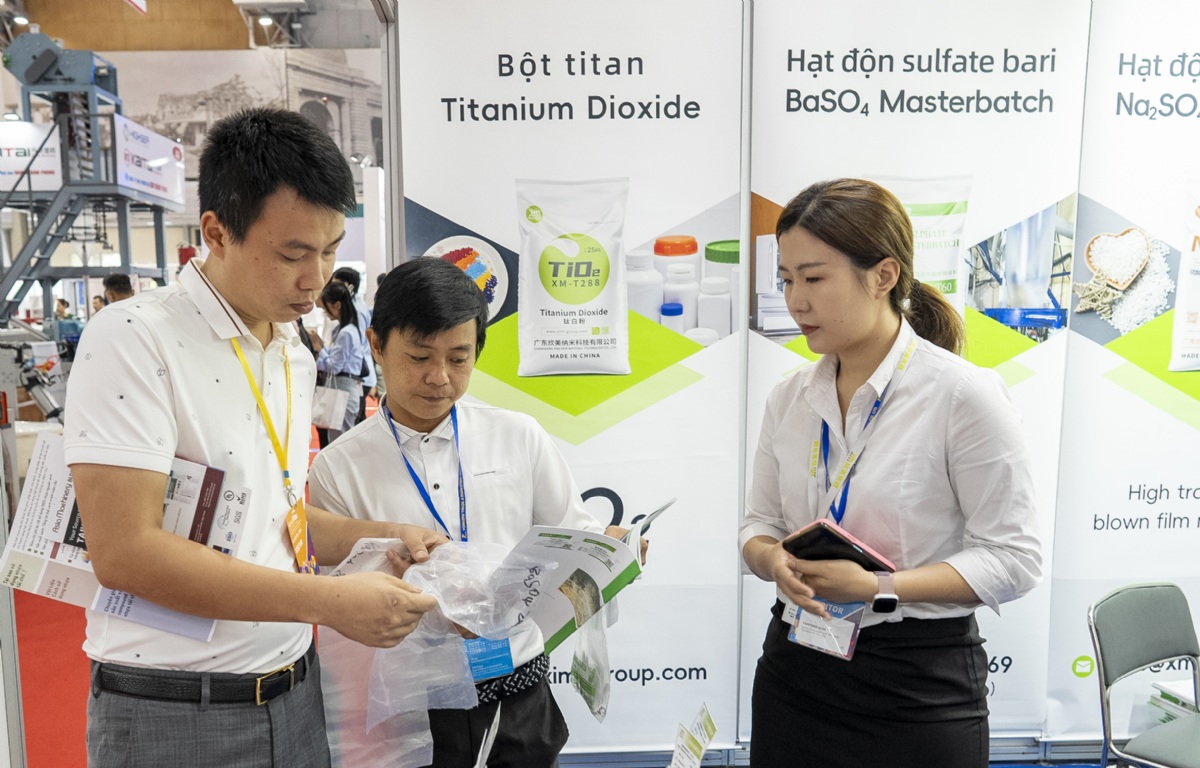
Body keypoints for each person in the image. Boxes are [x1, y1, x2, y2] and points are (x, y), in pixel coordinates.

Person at [64, 107, 446, 768]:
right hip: (176, 710)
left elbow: (278, 516)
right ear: (216, 232)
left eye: (330, 250)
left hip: (294, 692)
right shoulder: (135, 337)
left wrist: (382, 536)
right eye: (294, 254)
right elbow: (124, 552)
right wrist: (329, 603)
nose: (316, 278)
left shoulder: (292, 350)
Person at [738, 178, 1042, 768]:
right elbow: (759, 523)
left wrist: (877, 587)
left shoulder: (962, 395)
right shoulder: (789, 397)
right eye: (786, 279)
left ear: (883, 276)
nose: (795, 301)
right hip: (796, 668)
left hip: (916, 685)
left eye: (814, 278)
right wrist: (772, 560)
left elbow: (1013, 559)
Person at [309, 258, 622, 768]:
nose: (439, 378)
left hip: (518, 692)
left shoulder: (517, 436)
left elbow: (572, 534)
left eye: (459, 358)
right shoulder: (339, 466)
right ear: (376, 345)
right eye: (419, 356)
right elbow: (345, 597)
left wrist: (610, 550)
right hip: (409, 711)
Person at [307, 280, 365, 442]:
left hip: (343, 391)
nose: (325, 312)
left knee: (340, 442)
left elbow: (334, 366)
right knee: (338, 440)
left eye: (326, 307)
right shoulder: (345, 329)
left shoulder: (346, 332)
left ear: (337, 305)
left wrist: (319, 348)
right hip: (343, 389)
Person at [330, 265, 376, 423]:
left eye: (336, 284)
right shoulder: (355, 307)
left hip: (357, 374)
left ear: (347, 285)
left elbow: (359, 343)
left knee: (353, 422)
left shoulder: (356, 310)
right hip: (356, 372)